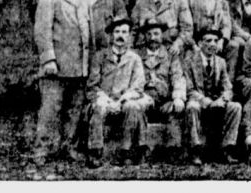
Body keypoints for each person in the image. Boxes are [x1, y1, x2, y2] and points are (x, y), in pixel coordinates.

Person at [31, 0, 93, 166]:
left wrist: (89, 62)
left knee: (74, 110)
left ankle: (69, 147)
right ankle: (42, 149)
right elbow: (42, 31)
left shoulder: (84, 0)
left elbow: (88, 32)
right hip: (56, 67)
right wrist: (48, 59)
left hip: (79, 65)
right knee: (50, 109)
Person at [86, 18, 149, 167]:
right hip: (104, 100)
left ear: (129, 36)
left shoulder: (135, 59)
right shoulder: (100, 57)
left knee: (132, 106)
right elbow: (92, 86)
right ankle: (96, 151)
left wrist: (121, 101)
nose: (120, 36)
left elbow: (138, 87)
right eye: (117, 32)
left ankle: (126, 151)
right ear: (111, 35)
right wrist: (107, 100)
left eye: (124, 32)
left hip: (124, 101)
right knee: (98, 107)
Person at [182, 27, 242, 165]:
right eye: (208, 41)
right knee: (192, 106)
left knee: (235, 107)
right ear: (199, 43)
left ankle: (227, 149)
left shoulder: (220, 62)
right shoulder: (189, 61)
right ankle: (196, 150)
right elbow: (189, 90)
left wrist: (222, 99)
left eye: (216, 41)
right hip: (200, 101)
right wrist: (207, 102)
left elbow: (228, 87)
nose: (213, 44)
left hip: (217, 102)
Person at [136, 19, 188, 159]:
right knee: (137, 108)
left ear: (162, 35)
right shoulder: (136, 55)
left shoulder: (171, 55)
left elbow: (178, 77)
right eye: (149, 34)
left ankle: (173, 149)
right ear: (144, 36)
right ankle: (142, 149)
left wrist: (178, 97)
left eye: (156, 34)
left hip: (164, 101)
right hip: (143, 99)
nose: (153, 38)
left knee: (175, 109)